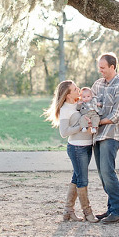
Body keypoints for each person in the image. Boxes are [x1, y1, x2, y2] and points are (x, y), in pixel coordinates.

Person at [44, 80, 98, 223]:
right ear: (68, 95)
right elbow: (64, 132)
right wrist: (81, 127)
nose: (78, 90)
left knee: (76, 178)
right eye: (74, 89)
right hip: (76, 148)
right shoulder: (65, 110)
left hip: (87, 146)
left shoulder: (80, 104)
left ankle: (68, 212)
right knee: (82, 179)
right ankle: (88, 212)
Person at [91, 52, 119, 224]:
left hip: (111, 135)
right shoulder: (97, 85)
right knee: (102, 173)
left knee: (108, 172)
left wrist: (98, 122)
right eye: (99, 67)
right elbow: (89, 104)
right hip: (96, 136)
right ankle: (111, 209)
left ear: (112, 67)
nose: (100, 70)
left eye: (103, 67)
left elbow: (118, 115)